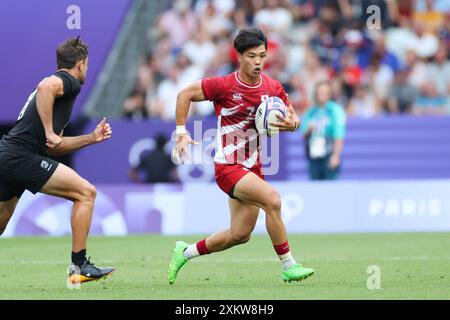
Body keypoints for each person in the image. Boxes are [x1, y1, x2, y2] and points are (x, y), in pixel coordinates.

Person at [168, 28, 314, 284]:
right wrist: (181, 132)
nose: (257, 62)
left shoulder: (273, 87)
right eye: (251, 56)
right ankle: (289, 265)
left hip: (252, 166)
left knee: (240, 234)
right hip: (228, 166)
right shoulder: (224, 86)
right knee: (273, 200)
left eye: (262, 55)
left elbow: (294, 119)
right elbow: (184, 95)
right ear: (238, 56)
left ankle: (185, 251)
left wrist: (291, 124)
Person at [0, 37, 115, 284]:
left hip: (9, 156)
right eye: (87, 64)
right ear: (81, 63)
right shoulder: (68, 81)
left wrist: (91, 138)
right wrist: (50, 132)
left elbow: (55, 147)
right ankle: (79, 265)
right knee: (86, 193)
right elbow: (45, 88)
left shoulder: (59, 93)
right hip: (21, 156)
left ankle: (79, 266)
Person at [301, 81, 346, 180]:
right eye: (320, 92)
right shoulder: (310, 112)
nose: (322, 95)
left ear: (329, 94)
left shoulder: (335, 110)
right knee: (315, 185)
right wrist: (308, 130)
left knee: (330, 185)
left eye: (325, 92)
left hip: (329, 152)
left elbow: (339, 135)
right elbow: (303, 134)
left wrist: (336, 155)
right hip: (314, 153)